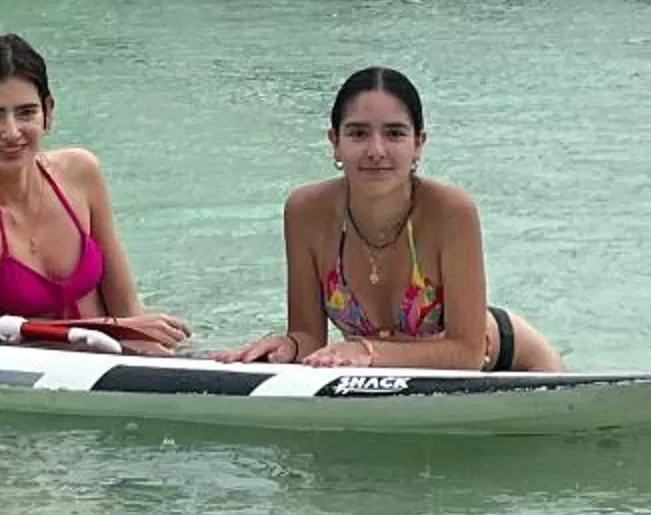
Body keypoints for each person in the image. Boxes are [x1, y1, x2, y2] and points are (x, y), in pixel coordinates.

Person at [228, 66, 564, 371]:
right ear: (335, 143)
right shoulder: (306, 212)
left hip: (513, 368)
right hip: (398, 379)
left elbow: (468, 353)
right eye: (358, 134)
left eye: (395, 134)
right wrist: (287, 345)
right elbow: (308, 335)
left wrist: (366, 351)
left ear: (419, 144)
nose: (376, 150)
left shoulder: (450, 211)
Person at [0, 33, 191, 349]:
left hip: (117, 356)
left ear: (48, 112)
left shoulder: (81, 172)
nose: (12, 132)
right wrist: (110, 328)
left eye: (26, 112)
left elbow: (129, 312)